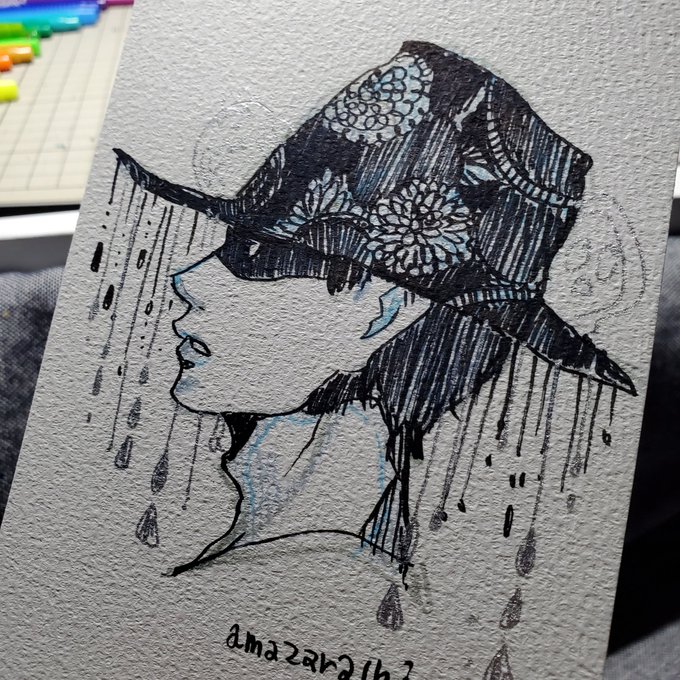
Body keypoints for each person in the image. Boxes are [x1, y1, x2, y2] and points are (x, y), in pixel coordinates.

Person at [114, 40, 635, 584]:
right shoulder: (313, 553)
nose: (188, 279)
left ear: (383, 314)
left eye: (257, 257)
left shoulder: (296, 576)